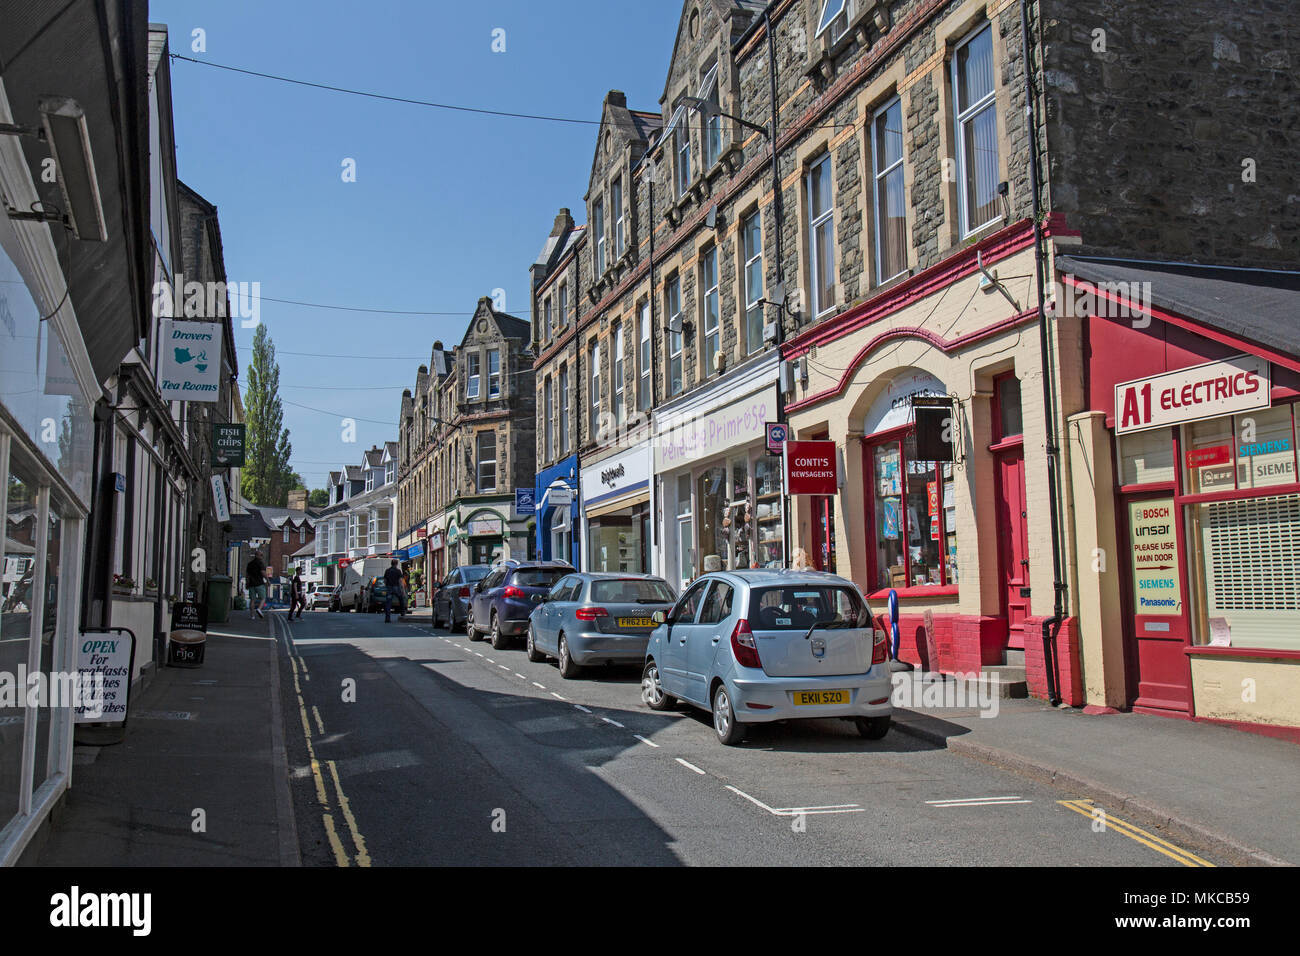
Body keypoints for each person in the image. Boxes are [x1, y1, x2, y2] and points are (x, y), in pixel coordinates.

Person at [246, 550, 268, 620]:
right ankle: (259, 608)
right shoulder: (260, 563)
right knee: (263, 598)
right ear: (257, 555)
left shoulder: (250, 564)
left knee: (252, 600)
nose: (262, 556)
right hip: (259, 583)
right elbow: (263, 573)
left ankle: (252, 616)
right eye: (261, 555)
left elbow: (247, 575)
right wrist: (268, 580)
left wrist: (247, 583)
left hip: (251, 584)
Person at [383, 558, 405, 622]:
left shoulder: (387, 570)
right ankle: (402, 613)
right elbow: (400, 581)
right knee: (401, 599)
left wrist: (386, 586)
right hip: (396, 588)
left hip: (389, 588)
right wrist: (402, 590)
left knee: (388, 603)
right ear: (396, 564)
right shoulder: (398, 571)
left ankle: (387, 618)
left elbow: (385, 580)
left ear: (391, 564)